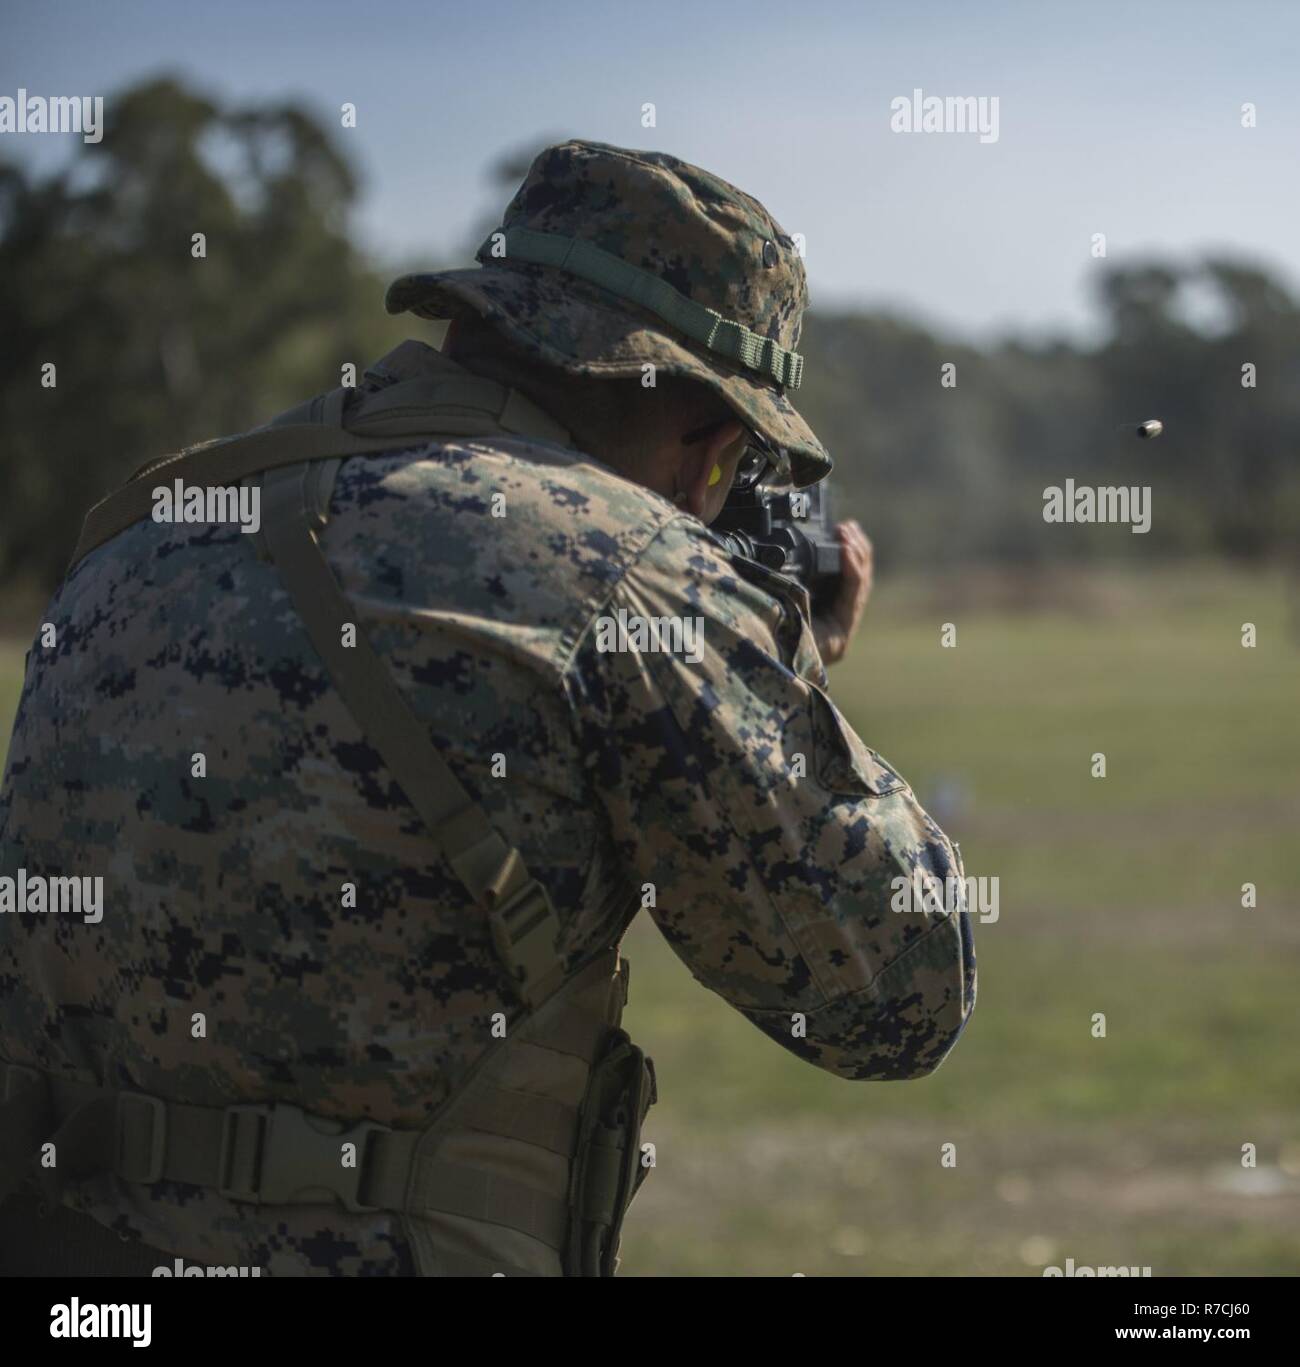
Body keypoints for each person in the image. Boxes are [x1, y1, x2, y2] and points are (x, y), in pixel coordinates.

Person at [0, 139, 975, 1277]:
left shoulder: (147, 518)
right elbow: (892, 990)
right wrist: (773, 667)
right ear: (711, 437)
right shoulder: (634, 572)